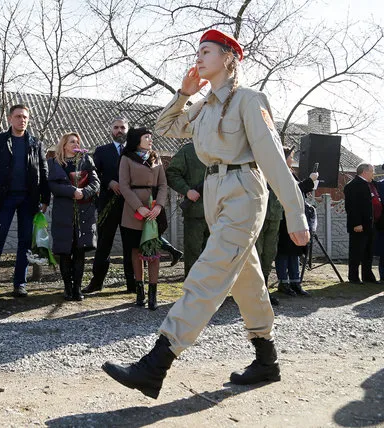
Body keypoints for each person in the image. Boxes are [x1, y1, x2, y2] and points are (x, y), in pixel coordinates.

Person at [102, 29, 309, 398]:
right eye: (197, 52)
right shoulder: (204, 105)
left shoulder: (249, 99)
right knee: (246, 277)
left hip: (244, 188)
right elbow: (164, 127)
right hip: (214, 192)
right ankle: (266, 359)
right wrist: (184, 93)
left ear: (229, 57)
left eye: (207, 51)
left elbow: (274, 159)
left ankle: (156, 364)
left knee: (209, 272)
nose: (198, 58)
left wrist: (295, 213)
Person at [0, 104, 50, 298]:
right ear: (10, 119)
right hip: (3, 198)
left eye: (25, 117)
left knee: (25, 241)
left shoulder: (36, 143)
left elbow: (44, 172)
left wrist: (45, 198)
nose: (22, 120)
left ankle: (20, 283)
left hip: (29, 198)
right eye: (18, 116)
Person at [82, 118, 136, 294]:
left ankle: (132, 284)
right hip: (108, 203)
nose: (119, 130)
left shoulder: (135, 150)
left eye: (122, 127)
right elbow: (94, 174)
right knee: (104, 244)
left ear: (128, 130)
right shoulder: (102, 151)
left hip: (131, 205)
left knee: (131, 245)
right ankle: (96, 282)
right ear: (111, 130)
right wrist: (109, 182)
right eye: (116, 127)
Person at [118, 127, 168, 310]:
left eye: (151, 136)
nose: (150, 139)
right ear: (137, 139)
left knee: (154, 251)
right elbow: (123, 185)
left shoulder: (157, 157)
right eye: (146, 136)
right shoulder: (127, 158)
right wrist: (138, 206)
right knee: (136, 250)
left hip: (154, 210)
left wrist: (158, 206)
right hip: (133, 211)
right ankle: (140, 292)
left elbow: (163, 184)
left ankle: (153, 293)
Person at [47, 133, 100, 301]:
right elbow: (53, 185)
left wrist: (84, 192)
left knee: (79, 251)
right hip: (64, 212)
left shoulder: (86, 160)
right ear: (64, 145)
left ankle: (77, 288)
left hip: (84, 212)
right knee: (65, 251)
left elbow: (96, 182)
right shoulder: (54, 163)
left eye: (77, 141)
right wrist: (72, 191)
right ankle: (67, 288)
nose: (76, 144)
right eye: (72, 142)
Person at [275, 146, 317, 297]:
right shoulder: (280, 173)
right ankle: (283, 282)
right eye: (291, 157)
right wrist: (310, 181)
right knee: (284, 252)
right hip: (284, 218)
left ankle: (295, 281)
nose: (292, 160)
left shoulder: (291, 173)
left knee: (295, 251)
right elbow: (293, 192)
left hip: (295, 217)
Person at [165, 142, 210, 277]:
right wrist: (187, 191)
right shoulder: (189, 150)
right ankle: (193, 291)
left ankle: (214, 291)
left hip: (221, 212)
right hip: (196, 211)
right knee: (193, 253)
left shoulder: (225, 147)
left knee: (217, 254)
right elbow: (172, 173)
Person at [343, 163, 384, 284]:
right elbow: (352, 207)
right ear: (364, 172)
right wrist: (356, 223)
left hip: (371, 224)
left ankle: (368, 276)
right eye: (372, 171)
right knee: (356, 251)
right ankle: (353, 277)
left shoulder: (372, 184)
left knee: (368, 252)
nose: (374, 173)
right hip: (359, 225)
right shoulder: (353, 185)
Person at [255, 188, 283, 305]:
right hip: (257, 213)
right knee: (257, 253)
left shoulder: (279, 169)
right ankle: (255, 292)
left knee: (269, 253)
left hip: (275, 213)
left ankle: (264, 291)